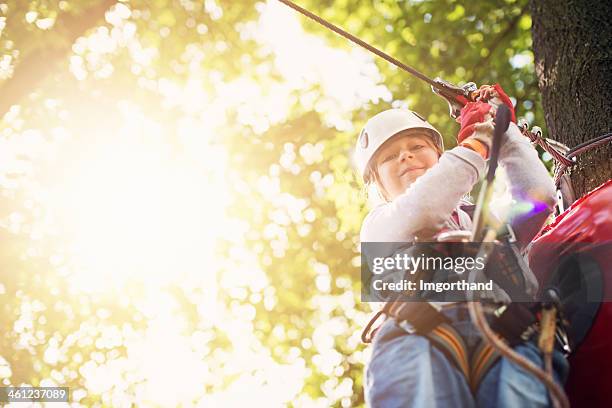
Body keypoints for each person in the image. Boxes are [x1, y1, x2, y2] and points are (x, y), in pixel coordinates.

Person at [355, 84, 569, 407]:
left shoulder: (487, 222)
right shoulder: (380, 226)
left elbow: (539, 198)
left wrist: (504, 130)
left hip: (509, 335)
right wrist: (482, 138)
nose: (405, 155)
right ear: (379, 186)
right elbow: (425, 206)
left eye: (417, 145)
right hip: (416, 337)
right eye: (389, 157)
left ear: (440, 158)